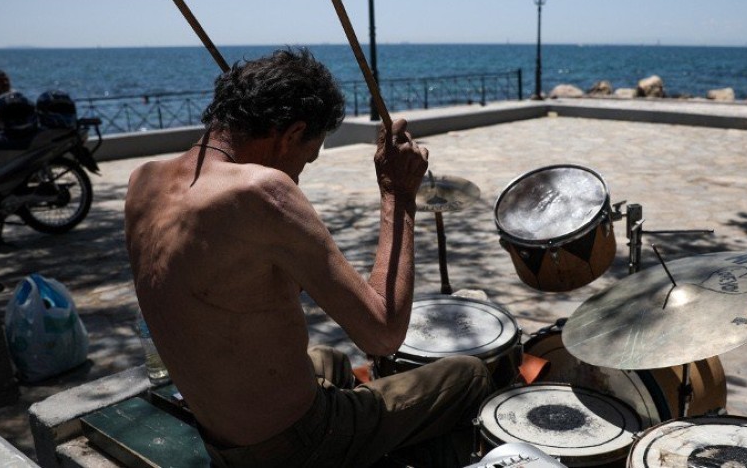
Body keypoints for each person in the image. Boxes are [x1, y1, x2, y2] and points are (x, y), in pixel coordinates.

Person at [124, 47, 493, 468]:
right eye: (306, 157)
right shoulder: (262, 193)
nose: (298, 175)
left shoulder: (143, 182)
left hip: (219, 432)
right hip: (292, 446)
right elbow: (383, 333)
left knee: (332, 361)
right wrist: (398, 193)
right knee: (468, 375)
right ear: (291, 132)